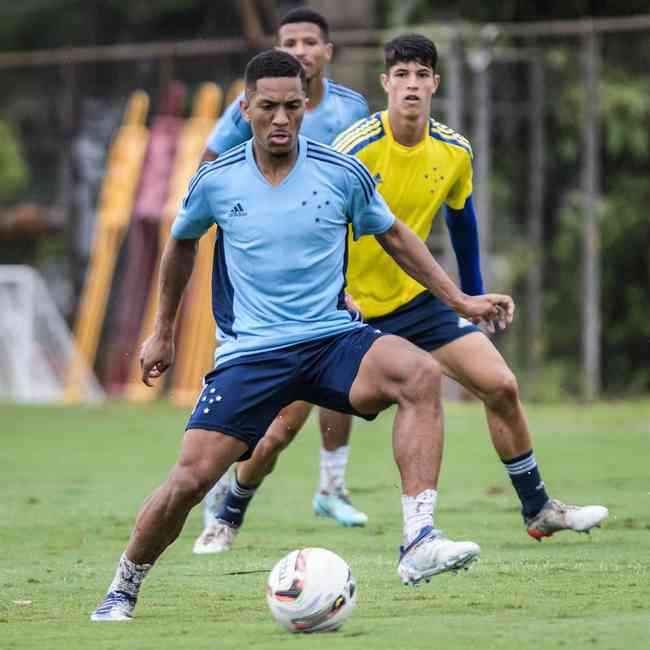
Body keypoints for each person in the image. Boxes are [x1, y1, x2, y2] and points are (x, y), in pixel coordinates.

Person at [91, 49, 515, 620]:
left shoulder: (341, 173)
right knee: (189, 481)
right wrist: (163, 332)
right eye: (268, 107)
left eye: (293, 106)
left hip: (331, 340)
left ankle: (418, 540)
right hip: (253, 354)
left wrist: (459, 299)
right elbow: (181, 243)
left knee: (419, 373)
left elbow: (396, 236)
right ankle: (124, 585)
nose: (282, 118)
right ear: (246, 108)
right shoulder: (217, 180)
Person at [202, 34, 609, 552]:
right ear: (385, 84)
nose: (412, 85)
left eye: (422, 75)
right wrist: (334, 293)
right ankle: (229, 512)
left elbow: (463, 224)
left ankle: (538, 508)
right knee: (280, 429)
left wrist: (472, 297)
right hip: (345, 314)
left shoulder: (455, 151)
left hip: (416, 304)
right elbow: (319, 223)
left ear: (435, 83)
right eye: (402, 76)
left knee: (500, 384)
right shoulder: (354, 147)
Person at [195, 8, 372, 549]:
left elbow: (362, 193)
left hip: (336, 272)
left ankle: (332, 485)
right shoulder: (246, 111)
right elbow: (208, 166)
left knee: (363, 384)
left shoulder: (351, 109)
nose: (299, 50)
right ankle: (220, 498)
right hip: (267, 285)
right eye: (289, 41)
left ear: (327, 52)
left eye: (308, 42)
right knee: (275, 422)